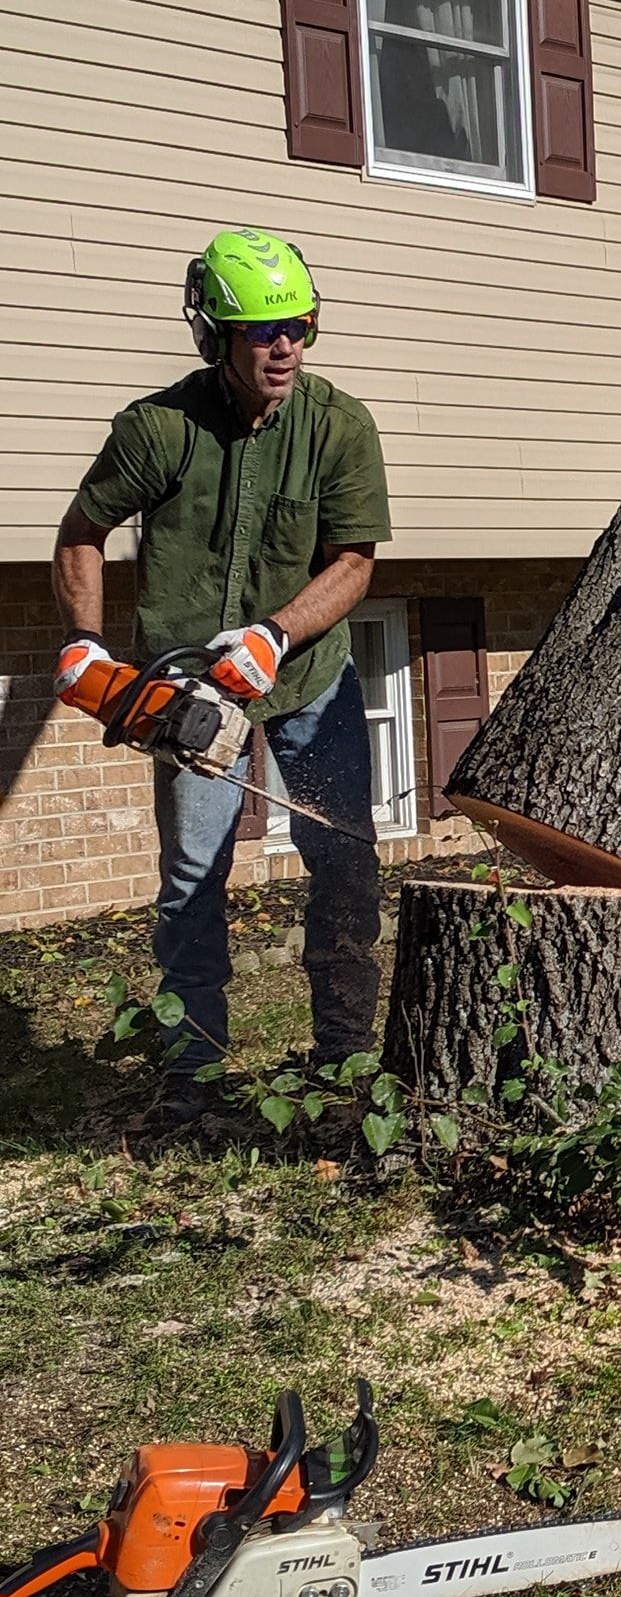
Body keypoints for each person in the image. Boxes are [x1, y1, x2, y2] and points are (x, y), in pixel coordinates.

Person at [52, 227, 393, 1124]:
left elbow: (353, 563)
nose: (283, 347)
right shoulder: (158, 429)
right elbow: (80, 532)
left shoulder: (338, 425)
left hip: (306, 675)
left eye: (298, 325)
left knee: (345, 862)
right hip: (190, 695)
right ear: (214, 335)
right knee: (193, 878)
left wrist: (277, 636)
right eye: (259, 332)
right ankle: (193, 1076)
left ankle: (344, 1059)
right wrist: (84, 643)